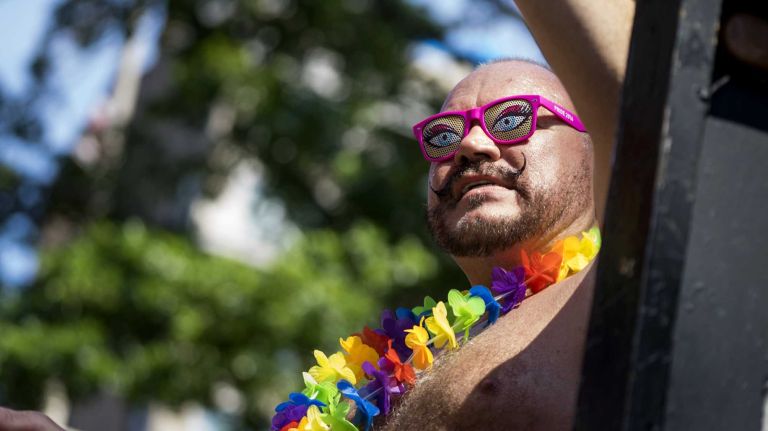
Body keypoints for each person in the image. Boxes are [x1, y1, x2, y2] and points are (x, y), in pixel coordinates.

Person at [4, 1, 768, 430]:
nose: (468, 143)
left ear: (599, 144)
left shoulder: (638, 273)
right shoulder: (388, 372)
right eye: (441, 133)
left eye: (511, 119)